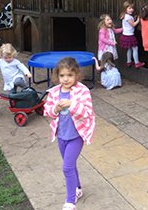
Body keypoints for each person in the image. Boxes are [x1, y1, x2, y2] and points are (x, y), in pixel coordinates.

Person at [43, 57, 95, 210]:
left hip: (76, 136)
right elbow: (47, 112)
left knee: (66, 168)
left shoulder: (82, 91)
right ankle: (77, 188)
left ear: (76, 75)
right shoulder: (53, 93)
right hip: (61, 136)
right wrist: (56, 109)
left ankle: (70, 202)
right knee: (70, 165)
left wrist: (72, 104)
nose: (66, 79)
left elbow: (87, 112)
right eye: (62, 75)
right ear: (57, 76)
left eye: (69, 75)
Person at [119, 0, 145, 68]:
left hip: (125, 35)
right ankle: (137, 62)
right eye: (129, 8)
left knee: (129, 49)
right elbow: (133, 25)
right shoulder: (128, 17)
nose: (131, 10)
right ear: (125, 9)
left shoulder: (125, 16)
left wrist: (134, 18)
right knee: (135, 48)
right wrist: (138, 20)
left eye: (132, 8)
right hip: (129, 35)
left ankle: (129, 61)